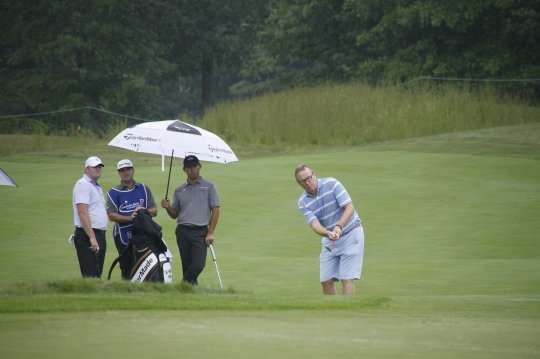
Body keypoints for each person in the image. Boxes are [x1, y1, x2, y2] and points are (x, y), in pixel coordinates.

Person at [294, 164, 364, 295]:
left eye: (309, 178)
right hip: (330, 238)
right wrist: (328, 233)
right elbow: (315, 225)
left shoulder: (332, 184)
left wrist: (339, 226)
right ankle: (332, 312)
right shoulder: (303, 202)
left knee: (346, 278)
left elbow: (349, 208)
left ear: (314, 174)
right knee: (325, 280)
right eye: (303, 181)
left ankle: (349, 312)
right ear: (299, 183)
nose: (308, 182)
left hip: (351, 232)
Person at [160, 155, 220, 285]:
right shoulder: (179, 190)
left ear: (199, 167)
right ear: (184, 169)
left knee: (198, 265)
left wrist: (210, 232)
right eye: (189, 167)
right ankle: (190, 292)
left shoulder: (209, 187)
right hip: (182, 231)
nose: (192, 170)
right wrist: (168, 207)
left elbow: (215, 210)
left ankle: (183, 285)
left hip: (200, 232)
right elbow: (174, 214)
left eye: (194, 166)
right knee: (187, 266)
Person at [106, 159, 158, 279]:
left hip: (144, 233)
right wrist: (129, 218)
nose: (126, 172)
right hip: (123, 234)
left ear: (133, 170)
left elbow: (154, 210)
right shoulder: (113, 193)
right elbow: (111, 215)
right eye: (122, 170)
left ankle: (143, 287)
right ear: (119, 173)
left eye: (128, 169)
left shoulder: (144, 189)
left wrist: (144, 211)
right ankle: (127, 288)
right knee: (126, 265)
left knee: (146, 262)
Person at [72, 156, 108, 278]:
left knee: (96, 274)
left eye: (99, 167)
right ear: (87, 169)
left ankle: (96, 297)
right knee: (90, 275)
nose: (98, 169)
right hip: (88, 235)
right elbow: (82, 212)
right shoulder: (83, 184)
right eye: (94, 167)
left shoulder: (96, 186)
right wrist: (92, 237)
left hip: (99, 234)